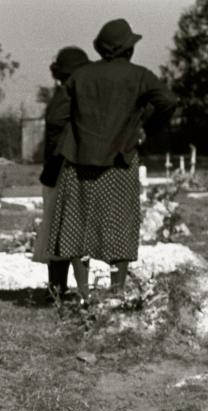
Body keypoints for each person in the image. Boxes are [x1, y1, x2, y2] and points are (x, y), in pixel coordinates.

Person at [48, 18, 177, 303]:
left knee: (76, 227)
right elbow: (168, 101)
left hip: (80, 164)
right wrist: (145, 127)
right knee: (120, 224)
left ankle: (83, 295)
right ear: (127, 50)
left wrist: (74, 140)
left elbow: (55, 117)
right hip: (120, 161)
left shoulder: (81, 76)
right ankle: (116, 293)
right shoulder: (140, 76)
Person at [31, 46, 90, 302]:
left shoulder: (64, 95)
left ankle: (59, 288)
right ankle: (60, 288)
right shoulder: (68, 97)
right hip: (61, 171)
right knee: (62, 231)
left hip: (58, 171)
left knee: (59, 231)